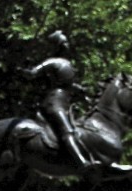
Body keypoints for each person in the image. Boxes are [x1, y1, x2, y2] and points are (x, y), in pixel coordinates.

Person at [22, 30, 98, 170]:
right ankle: (82, 162)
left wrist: (82, 91)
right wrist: (27, 68)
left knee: (78, 130)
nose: (67, 46)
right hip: (54, 103)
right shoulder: (52, 62)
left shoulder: (67, 64)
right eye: (63, 44)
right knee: (67, 131)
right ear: (57, 47)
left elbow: (68, 85)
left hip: (65, 103)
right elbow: (33, 73)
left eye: (66, 43)